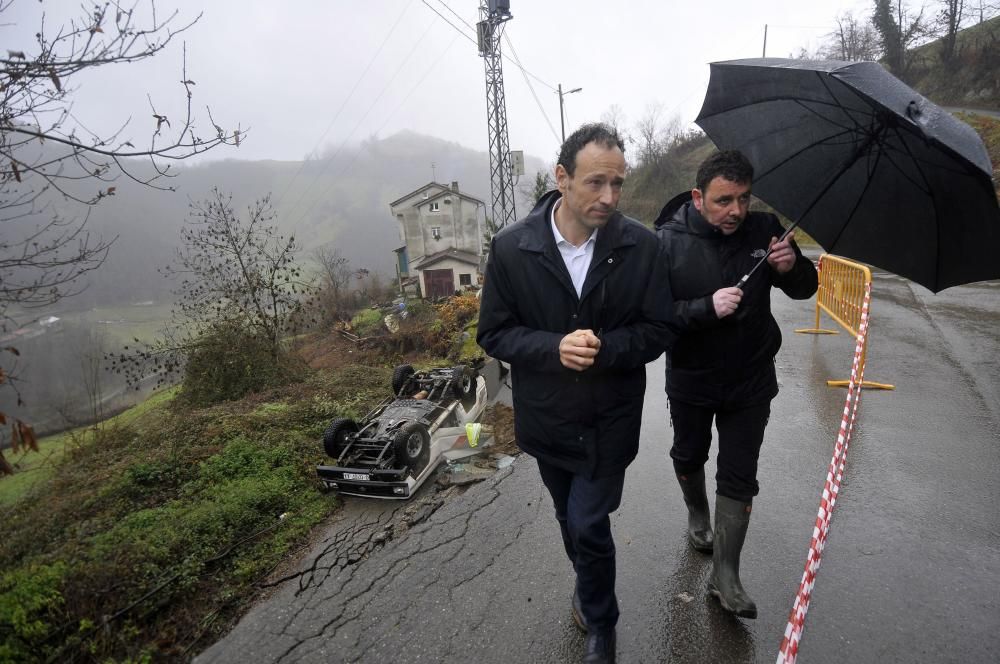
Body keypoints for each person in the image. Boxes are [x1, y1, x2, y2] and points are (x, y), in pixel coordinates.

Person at [477, 123, 672, 664]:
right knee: (570, 520)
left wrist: (604, 348)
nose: (609, 197)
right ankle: (588, 591)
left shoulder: (642, 247)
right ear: (562, 178)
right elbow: (493, 333)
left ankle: (601, 624)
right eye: (595, 183)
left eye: (617, 184)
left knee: (588, 523)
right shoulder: (514, 248)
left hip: (609, 418)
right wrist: (552, 347)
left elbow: (660, 329)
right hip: (547, 419)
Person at [653, 150, 817, 619]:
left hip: (750, 378)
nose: (736, 211)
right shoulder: (666, 242)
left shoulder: (765, 230)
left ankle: (726, 576)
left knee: (740, 472)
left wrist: (792, 268)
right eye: (725, 200)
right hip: (690, 377)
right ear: (698, 197)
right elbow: (653, 317)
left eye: (744, 199)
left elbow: (807, 288)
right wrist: (705, 307)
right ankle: (697, 515)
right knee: (689, 454)